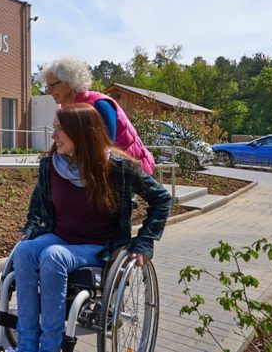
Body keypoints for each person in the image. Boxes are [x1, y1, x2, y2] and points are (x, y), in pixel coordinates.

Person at [13, 103, 171, 352]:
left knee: (52, 256)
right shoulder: (51, 166)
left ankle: (50, 348)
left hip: (101, 247)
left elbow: (162, 199)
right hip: (61, 237)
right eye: (54, 129)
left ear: (82, 132)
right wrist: (31, 227)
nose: (53, 136)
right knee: (24, 252)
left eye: (60, 129)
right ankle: (26, 346)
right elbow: (38, 206)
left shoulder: (118, 167)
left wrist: (144, 241)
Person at [39, 56, 157, 175]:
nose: (49, 92)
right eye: (47, 87)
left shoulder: (100, 104)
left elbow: (106, 148)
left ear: (69, 81)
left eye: (52, 86)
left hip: (127, 171)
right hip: (105, 170)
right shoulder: (67, 108)